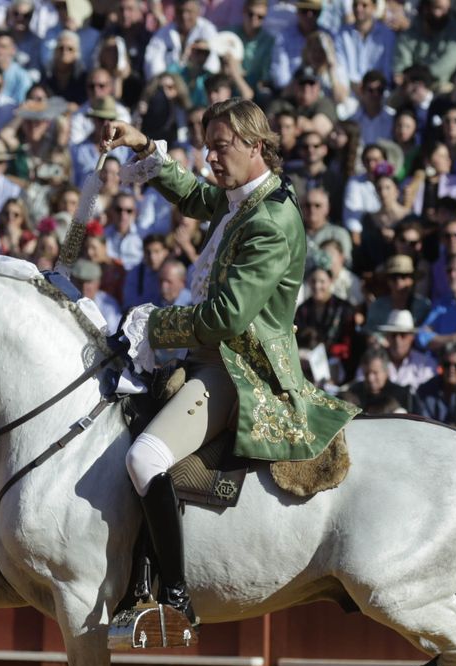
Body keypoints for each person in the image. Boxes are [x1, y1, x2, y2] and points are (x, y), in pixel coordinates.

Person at [101, 99, 357, 629]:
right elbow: (199, 195)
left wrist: (152, 324)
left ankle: (172, 600)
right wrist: (145, 147)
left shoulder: (271, 219)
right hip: (201, 353)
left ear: (255, 146)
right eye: (208, 146)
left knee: (145, 459)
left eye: (221, 147)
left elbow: (225, 318)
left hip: (239, 366)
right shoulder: (246, 198)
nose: (211, 158)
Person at [370, 309, 438, 389]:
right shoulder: (372, 363)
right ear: (387, 337)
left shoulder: (426, 364)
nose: (397, 340)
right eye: (393, 335)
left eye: (403, 335)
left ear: (412, 337)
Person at [341, 352, 411, 413]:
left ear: (386, 371)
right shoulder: (355, 393)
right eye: (366, 373)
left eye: (375, 373)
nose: (370, 378)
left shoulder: (401, 395)